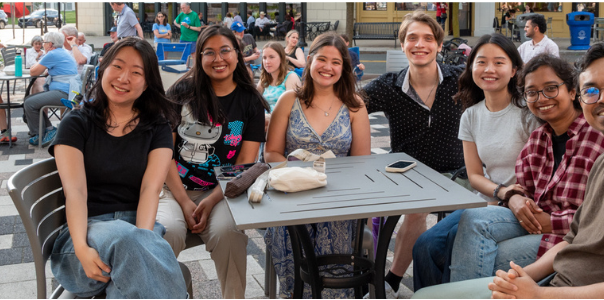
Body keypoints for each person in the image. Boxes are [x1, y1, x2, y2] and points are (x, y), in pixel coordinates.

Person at [420, 42, 604, 298]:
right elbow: (573, 238)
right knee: (429, 283)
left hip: (562, 290)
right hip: (557, 281)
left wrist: (538, 295)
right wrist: (521, 279)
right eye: (591, 91)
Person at [444, 53, 604, 284]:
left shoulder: (597, 138)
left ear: (572, 91)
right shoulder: (539, 138)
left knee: (479, 254)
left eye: (551, 88)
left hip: (574, 237)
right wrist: (515, 198)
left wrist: (553, 221)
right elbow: (525, 188)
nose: (542, 98)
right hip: (535, 222)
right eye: (532, 92)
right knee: (472, 219)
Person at [47, 37, 187, 299]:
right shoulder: (76, 123)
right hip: (83, 240)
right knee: (130, 243)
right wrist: (81, 248)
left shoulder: (158, 127)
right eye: (118, 66)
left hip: (135, 231)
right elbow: (75, 192)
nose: (124, 78)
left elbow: (150, 190)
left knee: (132, 253)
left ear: (147, 83)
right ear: (103, 68)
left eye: (136, 72)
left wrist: (141, 241)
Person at [363, 10, 472, 292]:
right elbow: (349, 106)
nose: (420, 44)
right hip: (407, 174)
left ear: (438, 44)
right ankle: (390, 280)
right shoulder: (388, 86)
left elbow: (498, 98)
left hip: (456, 173)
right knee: (415, 209)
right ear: (402, 45)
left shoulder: (460, 80)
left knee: (438, 220)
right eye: (412, 38)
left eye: (428, 38)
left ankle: (396, 281)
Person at [414, 35, 533, 290]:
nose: (489, 69)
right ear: (471, 67)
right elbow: (475, 175)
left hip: (520, 206)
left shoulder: (528, 112)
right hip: (489, 201)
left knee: (453, 243)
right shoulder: (471, 115)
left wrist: (508, 197)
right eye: (481, 62)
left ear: (514, 70)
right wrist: (501, 192)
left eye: (499, 62)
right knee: (425, 245)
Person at [161, 25, 266, 299]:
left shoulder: (250, 101)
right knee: (167, 232)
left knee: (229, 233)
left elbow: (244, 163)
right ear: (199, 57)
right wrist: (184, 201)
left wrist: (211, 200)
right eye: (209, 52)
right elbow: (164, 153)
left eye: (225, 51)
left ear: (237, 54)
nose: (218, 59)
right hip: (173, 190)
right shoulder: (181, 91)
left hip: (222, 192)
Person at [264, 33, 372, 297]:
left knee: (336, 233)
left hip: (339, 197)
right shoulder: (288, 100)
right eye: (322, 59)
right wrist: (302, 174)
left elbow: (362, 162)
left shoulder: (354, 105)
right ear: (310, 60)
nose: (328, 67)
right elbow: (271, 152)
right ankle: (295, 292)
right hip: (293, 193)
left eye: (336, 62)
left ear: (344, 68)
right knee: (289, 233)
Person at [24, 30, 79, 148]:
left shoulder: (52, 54)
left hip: (64, 93)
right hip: (70, 91)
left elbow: (33, 71)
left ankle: (40, 134)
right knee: (31, 100)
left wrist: (39, 62)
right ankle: (48, 129)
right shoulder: (62, 52)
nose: (43, 45)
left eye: (44, 42)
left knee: (29, 103)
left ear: (50, 44)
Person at [257, 40, 301, 108]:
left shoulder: (291, 77)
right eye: (264, 58)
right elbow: (254, 100)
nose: (267, 61)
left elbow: (291, 108)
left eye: (271, 57)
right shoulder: (264, 78)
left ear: (281, 59)